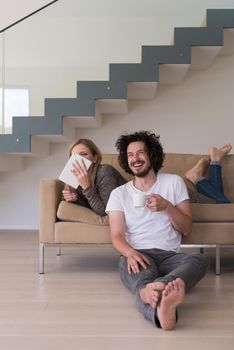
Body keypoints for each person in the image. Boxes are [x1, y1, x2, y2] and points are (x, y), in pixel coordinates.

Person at [106, 131, 209, 330]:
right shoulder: (119, 194)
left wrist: (167, 207)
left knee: (200, 260)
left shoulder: (173, 182)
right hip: (138, 254)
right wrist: (130, 253)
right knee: (142, 277)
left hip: (170, 255)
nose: (135, 159)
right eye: (130, 155)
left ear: (152, 155)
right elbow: (116, 235)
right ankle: (162, 311)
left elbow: (187, 228)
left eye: (140, 153)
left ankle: (152, 290)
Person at [62, 138, 126, 216]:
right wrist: (76, 199)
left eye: (84, 154)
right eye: (74, 156)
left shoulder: (105, 171)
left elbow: (105, 211)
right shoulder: (73, 176)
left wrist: (87, 187)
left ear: (95, 158)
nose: (79, 159)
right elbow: (91, 208)